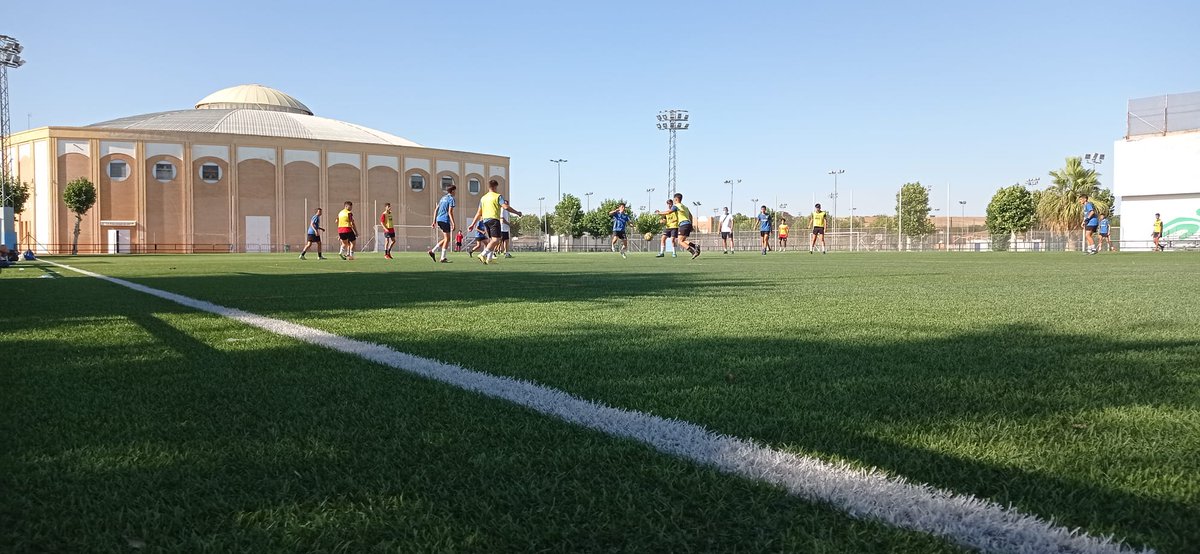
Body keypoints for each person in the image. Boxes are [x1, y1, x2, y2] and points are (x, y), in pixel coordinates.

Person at [467, 180, 521, 264]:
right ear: (495, 186)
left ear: (488, 187)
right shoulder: (498, 196)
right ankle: (483, 254)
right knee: (496, 240)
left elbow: (478, 213)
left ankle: (489, 259)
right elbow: (505, 207)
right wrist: (517, 212)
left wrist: (472, 224)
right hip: (494, 220)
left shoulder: (483, 198)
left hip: (485, 220)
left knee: (492, 240)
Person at [431, 185, 456, 263]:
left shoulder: (443, 198)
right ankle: (442, 258)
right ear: (452, 191)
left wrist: (434, 221)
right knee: (447, 239)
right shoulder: (451, 199)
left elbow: (436, 209)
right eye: (455, 190)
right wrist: (453, 223)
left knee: (446, 238)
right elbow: (450, 212)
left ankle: (432, 251)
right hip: (445, 220)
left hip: (439, 219)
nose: (455, 192)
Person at [673, 193, 701, 258]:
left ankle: (693, 252)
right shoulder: (685, 207)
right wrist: (691, 225)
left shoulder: (676, 206)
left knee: (680, 241)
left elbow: (668, 212)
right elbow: (690, 216)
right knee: (683, 240)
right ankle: (695, 246)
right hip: (688, 223)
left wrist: (659, 213)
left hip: (683, 224)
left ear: (676, 199)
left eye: (674, 199)